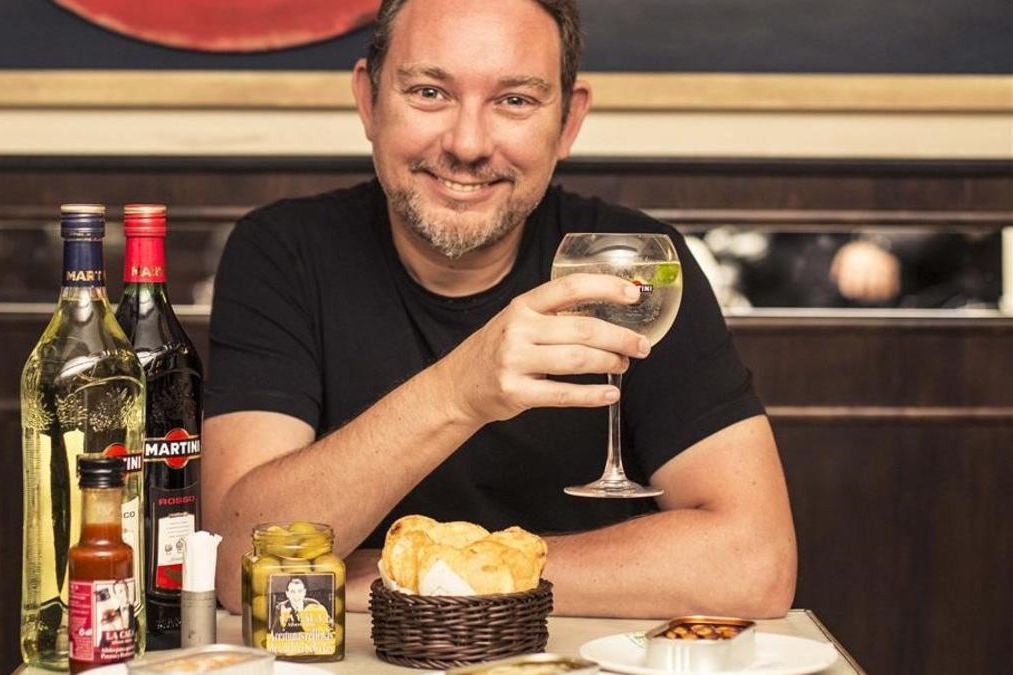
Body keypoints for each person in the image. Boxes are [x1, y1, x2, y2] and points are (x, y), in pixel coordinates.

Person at [202, 0, 796, 618]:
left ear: (568, 122)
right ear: (367, 101)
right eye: (430, 92)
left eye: (514, 100)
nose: (467, 144)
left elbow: (756, 564)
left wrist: (423, 574)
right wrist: (459, 391)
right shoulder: (282, 252)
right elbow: (238, 567)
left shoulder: (635, 267)